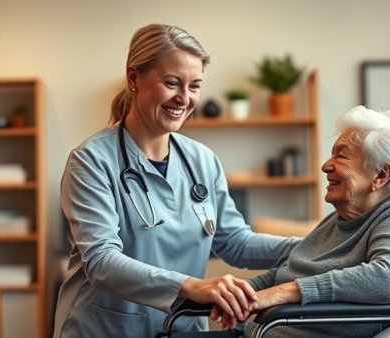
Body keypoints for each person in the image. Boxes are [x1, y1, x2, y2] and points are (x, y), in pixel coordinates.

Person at [53, 24, 299, 338]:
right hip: (106, 328)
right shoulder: (91, 161)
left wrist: (316, 246)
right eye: (172, 83)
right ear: (133, 79)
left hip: (181, 329)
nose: (184, 98)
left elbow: (235, 242)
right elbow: (101, 261)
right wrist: (193, 286)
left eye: (194, 86)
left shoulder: (202, 160)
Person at [212, 105, 390, 337]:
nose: (326, 166)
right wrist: (236, 295)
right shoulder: (339, 220)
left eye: (341, 155)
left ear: (380, 175)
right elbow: (289, 271)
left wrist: (286, 292)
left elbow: (388, 278)